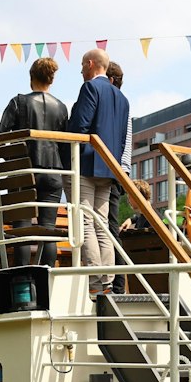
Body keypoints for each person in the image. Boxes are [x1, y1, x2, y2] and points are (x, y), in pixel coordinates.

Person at [67, 48, 131, 291]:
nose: (81, 70)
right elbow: (123, 139)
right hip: (109, 169)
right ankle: (108, 281)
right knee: (102, 224)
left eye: (83, 65)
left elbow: (78, 128)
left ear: (91, 64)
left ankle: (95, 280)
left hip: (86, 165)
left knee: (85, 222)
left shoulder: (90, 88)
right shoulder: (122, 98)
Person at [0, 57, 70, 267]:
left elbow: (0, 137)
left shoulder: (19, 102)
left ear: (31, 78)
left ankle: (21, 277)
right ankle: (46, 277)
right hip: (53, 173)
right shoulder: (62, 107)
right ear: (52, 79)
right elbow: (65, 146)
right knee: (47, 229)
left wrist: (11, 159)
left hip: (24, 173)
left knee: (22, 229)